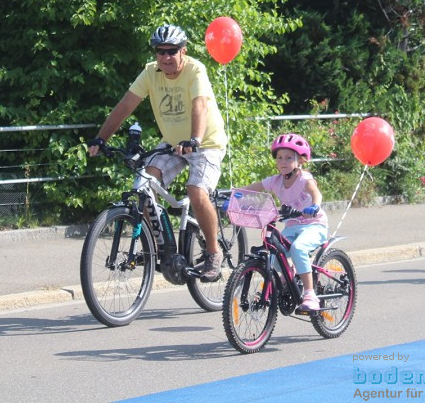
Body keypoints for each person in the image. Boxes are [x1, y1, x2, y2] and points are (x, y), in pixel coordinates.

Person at [89, 24, 228, 281]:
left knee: (196, 191)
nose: (165, 57)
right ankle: (159, 247)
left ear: (183, 51)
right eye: (160, 51)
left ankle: (213, 252)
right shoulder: (150, 73)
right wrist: (101, 138)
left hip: (205, 142)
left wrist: (195, 139)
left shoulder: (196, 70)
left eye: (172, 51)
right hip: (173, 143)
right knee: (143, 183)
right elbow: (124, 106)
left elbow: (200, 106)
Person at [241, 133, 328, 312]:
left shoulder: (304, 178)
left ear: (300, 161)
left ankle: (310, 294)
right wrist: (235, 195)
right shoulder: (275, 181)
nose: (283, 161)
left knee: (298, 248)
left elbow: (316, 193)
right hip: (292, 227)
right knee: (271, 253)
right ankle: (289, 274)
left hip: (314, 225)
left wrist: (315, 206)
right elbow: (253, 188)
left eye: (289, 158)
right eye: (280, 157)